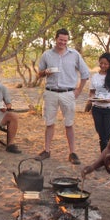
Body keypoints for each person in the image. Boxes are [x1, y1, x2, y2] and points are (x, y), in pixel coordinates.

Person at [36, 28, 90, 164]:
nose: (63, 43)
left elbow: (85, 73)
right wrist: (45, 72)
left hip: (68, 93)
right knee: (49, 123)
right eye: (61, 40)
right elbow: (39, 74)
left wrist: (78, 91)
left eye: (65, 40)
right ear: (55, 39)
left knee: (69, 124)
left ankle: (72, 153)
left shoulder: (74, 55)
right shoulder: (47, 55)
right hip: (50, 92)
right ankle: (46, 150)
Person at [85, 52, 110, 153]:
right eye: (101, 63)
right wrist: (91, 100)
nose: (103, 65)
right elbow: (92, 92)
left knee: (107, 135)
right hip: (97, 109)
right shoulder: (95, 77)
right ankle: (106, 159)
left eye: (105, 64)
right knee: (101, 135)